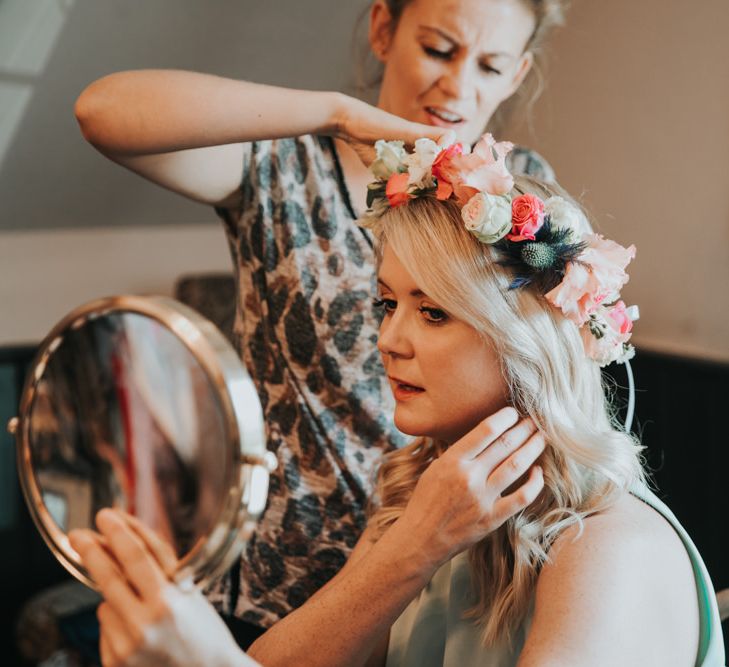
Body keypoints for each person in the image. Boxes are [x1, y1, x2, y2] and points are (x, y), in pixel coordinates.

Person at [69, 136, 724, 666]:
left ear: (523, 342)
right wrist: (408, 548)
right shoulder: (422, 501)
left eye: (433, 312)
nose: (387, 338)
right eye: (387, 303)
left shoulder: (607, 545)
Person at [74, 0, 567, 644]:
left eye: (491, 64)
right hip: (276, 584)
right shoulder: (282, 169)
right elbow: (102, 113)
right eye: (439, 50)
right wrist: (343, 115)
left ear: (517, 72)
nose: (458, 87)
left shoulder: (516, 198)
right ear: (384, 29)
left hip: (444, 588)